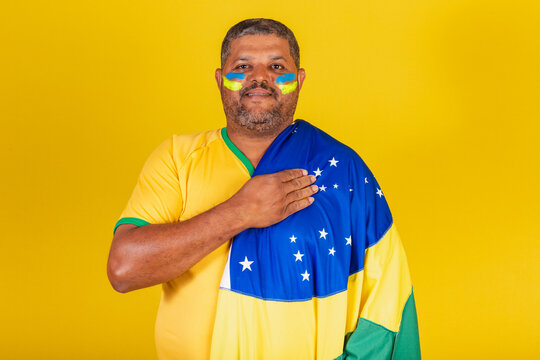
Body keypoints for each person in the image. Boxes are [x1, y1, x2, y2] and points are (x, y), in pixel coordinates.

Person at [107, 18, 420, 360]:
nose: (259, 78)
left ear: (298, 79)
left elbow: (384, 297)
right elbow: (124, 270)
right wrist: (239, 212)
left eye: (276, 66)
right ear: (219, 80)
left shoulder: (342, 169)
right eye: (242, 66)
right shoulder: (177, 157)